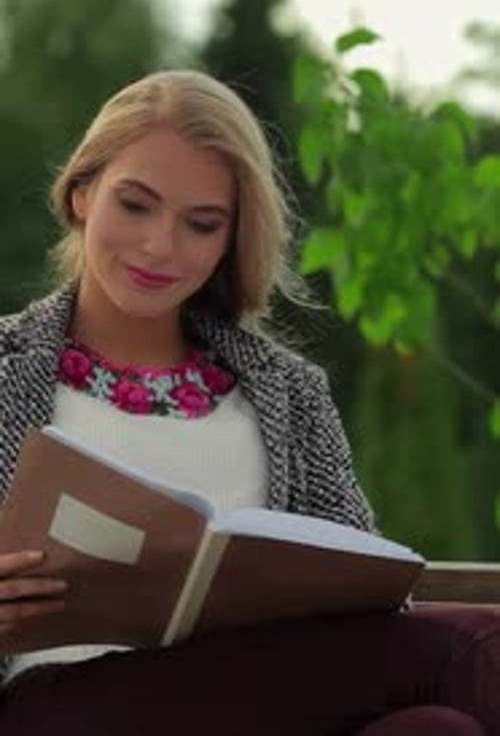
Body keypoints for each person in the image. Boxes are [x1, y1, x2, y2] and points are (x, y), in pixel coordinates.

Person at [0, 70, 498, 736]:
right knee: (470, 648)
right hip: (59, 714)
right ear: (84, 193)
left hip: (262, 708)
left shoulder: (290, 392)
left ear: (232, 238)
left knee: (438, 729)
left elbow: (371, 602)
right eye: (135, 205)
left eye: (200, 224)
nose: (159, 246)